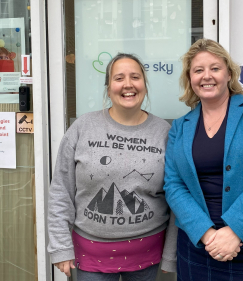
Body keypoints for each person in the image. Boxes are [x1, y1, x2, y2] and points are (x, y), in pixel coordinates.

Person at [163, 39, 243, 280]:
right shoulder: (180, 127)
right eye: (198, 70)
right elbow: (173, 185)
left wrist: (234, 230)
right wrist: (207, 234)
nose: (206, 76)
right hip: (198, 240)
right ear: (190, 78)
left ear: (229, 73)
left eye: (215, 68)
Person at [48, 53, 177, 280]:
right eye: (119, 78)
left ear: (144, 86)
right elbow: (61, 190)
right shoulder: (82, 128)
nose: (128, 84)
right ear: (108, 89)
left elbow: (176, 198)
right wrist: (60, 247)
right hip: (90, 257)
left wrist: (171, 254)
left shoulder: (164, 133)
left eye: (135, 77)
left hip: (147, 256)